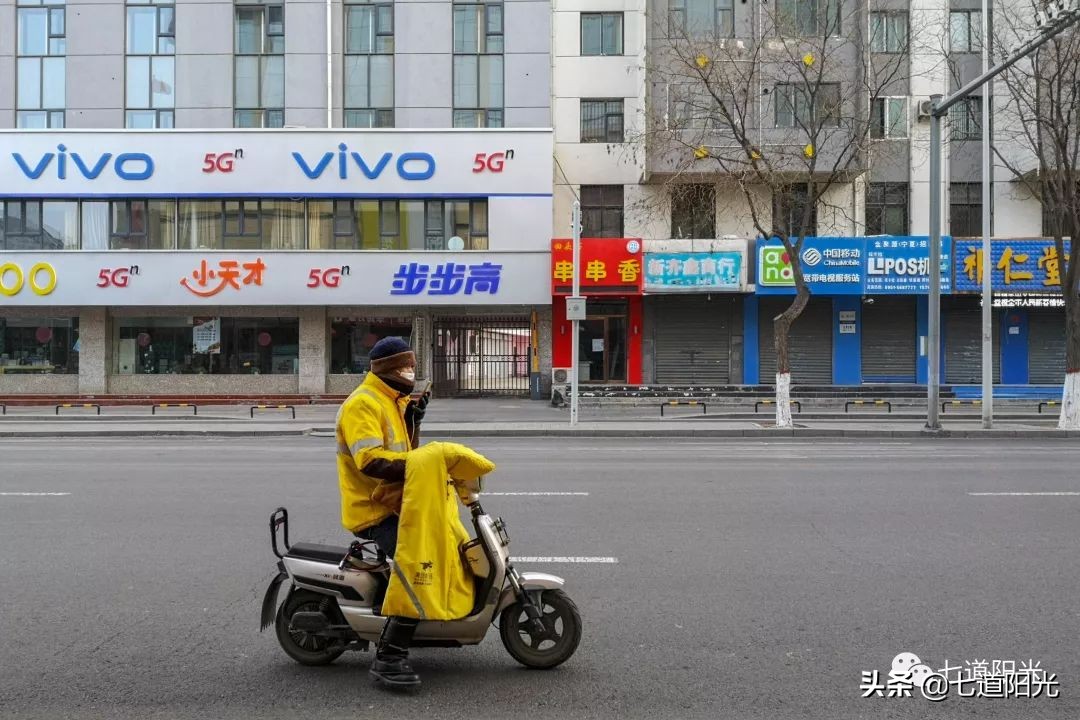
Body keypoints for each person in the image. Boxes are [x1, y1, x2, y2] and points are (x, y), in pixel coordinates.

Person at [335, 336, 429, 687]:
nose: (411, 373)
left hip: (394, 501)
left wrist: (413, 423)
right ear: (389, 369)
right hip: (373, 508)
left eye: (412, 367)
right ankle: (389, 658)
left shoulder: (393, 400)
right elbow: (371, 460)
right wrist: (424, 466)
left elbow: (403, 452)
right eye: (406, 367)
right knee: (417, 571)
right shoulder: (364, 403)